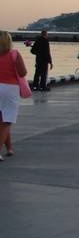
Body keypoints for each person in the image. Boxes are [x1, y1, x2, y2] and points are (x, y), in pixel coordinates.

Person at [0, 31, 27, 161]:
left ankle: (9, 148)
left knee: (2, 119)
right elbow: (22, 73)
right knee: (7, 121)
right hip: (10, 89)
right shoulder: (14, 54)